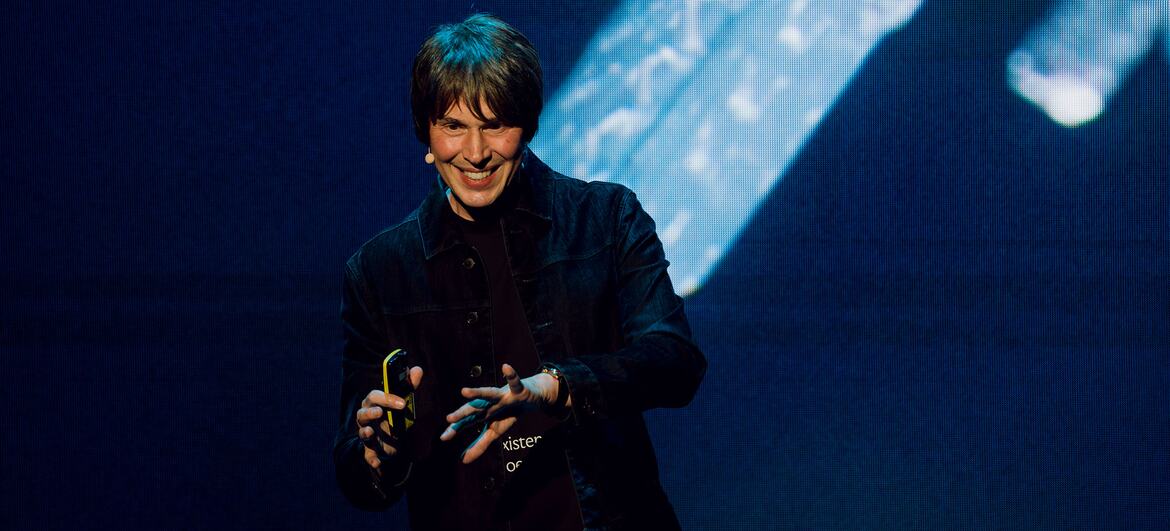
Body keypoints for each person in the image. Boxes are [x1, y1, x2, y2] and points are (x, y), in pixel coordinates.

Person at [333, 13, 706, 530]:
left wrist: (555, 387)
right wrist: (379, 454)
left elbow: (675, 361)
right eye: (454, 127)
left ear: (527, 126)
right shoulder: (379, 271)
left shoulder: (606, 219)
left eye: (495, 125)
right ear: (427, 133)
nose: (477, 153)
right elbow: (358, 476)